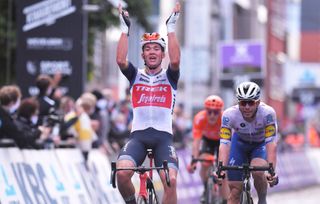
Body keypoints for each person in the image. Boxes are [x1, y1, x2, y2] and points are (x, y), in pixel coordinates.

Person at [115, 2, 181, 204]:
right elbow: (120, 60)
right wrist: (125, 30)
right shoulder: (135, 75)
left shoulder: (170, 76)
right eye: (148, 49)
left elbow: (176, 61)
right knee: (122, 173)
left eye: (157, 49)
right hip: (139, 137)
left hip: (163, 139)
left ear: (163, 54)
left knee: (170, 181)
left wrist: (170, 29)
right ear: (143, 55)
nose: (152, 52)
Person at [217, 81, 278, 204]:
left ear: (258, 102)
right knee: (234, 192)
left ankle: (262, 199)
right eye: (243, 103)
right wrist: (221, 168)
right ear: (238, 102)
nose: (247, 107)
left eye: (251, 102)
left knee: (258, 171)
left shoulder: (268, 114)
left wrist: (272, 170)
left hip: (259, 145)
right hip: (239, 144)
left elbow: (271, 144)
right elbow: (224, 143)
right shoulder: (229, 115)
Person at [187, 95, 228, 203]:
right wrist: (194, 160)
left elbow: (228, 143)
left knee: (223, 172)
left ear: (220, 111)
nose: (212, 115)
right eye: (209, 111)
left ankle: (224, 200)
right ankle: (206, 188)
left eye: (216, 112)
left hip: (222, 142)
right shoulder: (199, 118)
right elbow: (196, 142)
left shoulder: (225, 118)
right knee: (204, 162)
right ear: (205, 110)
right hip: (207, 141)